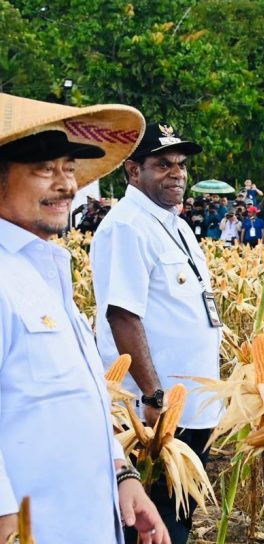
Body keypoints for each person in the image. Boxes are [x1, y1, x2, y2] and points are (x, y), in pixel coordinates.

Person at [0, 93, 168, 544]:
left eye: (68, 168)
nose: (67, 185)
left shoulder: (45, 269)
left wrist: (122, 475)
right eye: (44, 169)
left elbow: (76, 399)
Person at [90, 122, 222, 544]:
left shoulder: (174, 223)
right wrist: (152, 395)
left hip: (190, 406)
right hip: (154, 415)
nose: (177, 173)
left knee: (177, 516)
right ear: (133, 171)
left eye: (181, 164)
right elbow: (123, 315)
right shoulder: (127, 225)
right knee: (151, 521)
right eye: (162, 164)